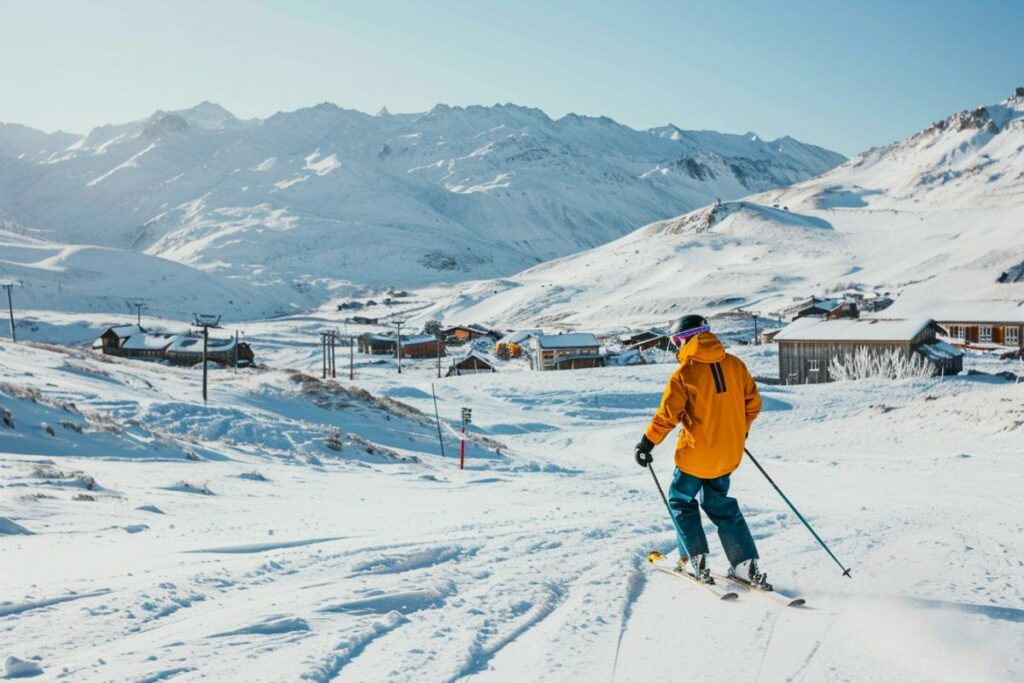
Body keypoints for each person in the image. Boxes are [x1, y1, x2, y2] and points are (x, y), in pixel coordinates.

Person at [634, 314, 769, 589]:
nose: (676, 349)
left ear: (685, 340)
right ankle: (745, 565)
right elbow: (752, 405)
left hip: (695, 457)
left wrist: (646, 443)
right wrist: (737, 432)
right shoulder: (735, 365)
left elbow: (667, 416)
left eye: (676, 343)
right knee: (720, 504)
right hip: (728, 454)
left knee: (681, 501)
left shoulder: (684, 374)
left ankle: (695, 558)